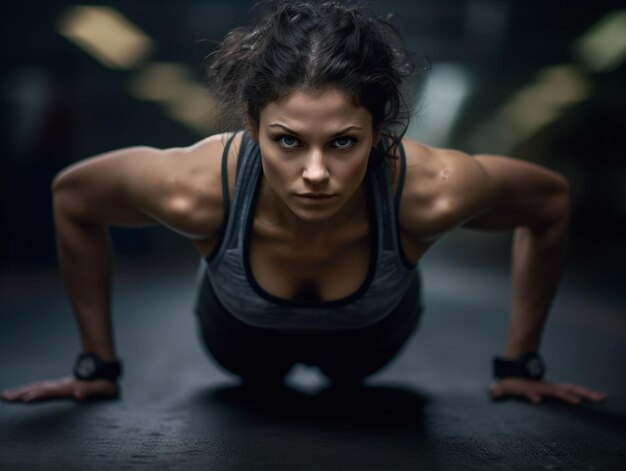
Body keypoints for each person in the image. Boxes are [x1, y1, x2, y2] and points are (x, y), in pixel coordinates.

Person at [1, 0, 606, 405]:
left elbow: (547, 202)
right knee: (256, 382)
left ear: (380, 131)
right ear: (251, 122)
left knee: (353, 383)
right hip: (239, 340)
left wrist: (519, 362)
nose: (315, 173)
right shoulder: (192, 185)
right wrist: (97, 366)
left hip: (372, 342)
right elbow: (74, 196)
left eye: (344, 142)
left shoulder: (432, 188)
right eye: (287, 141)